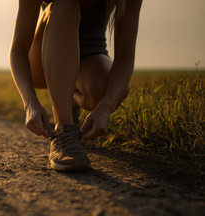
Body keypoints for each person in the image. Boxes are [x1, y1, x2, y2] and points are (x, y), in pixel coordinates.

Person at [9, 0, 142, 171]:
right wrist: (30, 104)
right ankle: (64, 131)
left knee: (106, 89)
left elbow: (125, 56)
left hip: (90, 58)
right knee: (66, 5)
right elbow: (18, 49)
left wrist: (106, 107)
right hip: (42, 61)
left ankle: (67, 100)